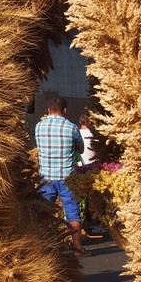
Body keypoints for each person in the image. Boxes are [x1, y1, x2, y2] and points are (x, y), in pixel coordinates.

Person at [35, 97, 85, 255]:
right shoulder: (71, 128)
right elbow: (81, 149)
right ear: (65, 111)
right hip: (67, 177)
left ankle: (42, 247)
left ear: (48, 110)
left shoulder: (39, 127)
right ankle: (77, 246)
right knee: (72, 213)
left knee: (42, 213)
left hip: (46, 177)